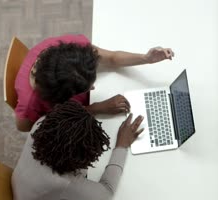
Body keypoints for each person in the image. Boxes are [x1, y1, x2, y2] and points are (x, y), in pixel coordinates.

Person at [11, 100, 144, 200]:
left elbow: (68, 123)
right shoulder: (61, 181)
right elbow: (106, 192)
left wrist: (95, 109)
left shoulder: (42, 124)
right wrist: (122, 145)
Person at [14, 34, 174, 131]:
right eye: (87, 87)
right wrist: (95, 108)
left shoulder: (72, 49)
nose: (93, 87)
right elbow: (34, 127)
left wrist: (146, 59)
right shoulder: (30, 103)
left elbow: (111, 58)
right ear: (63, 96)